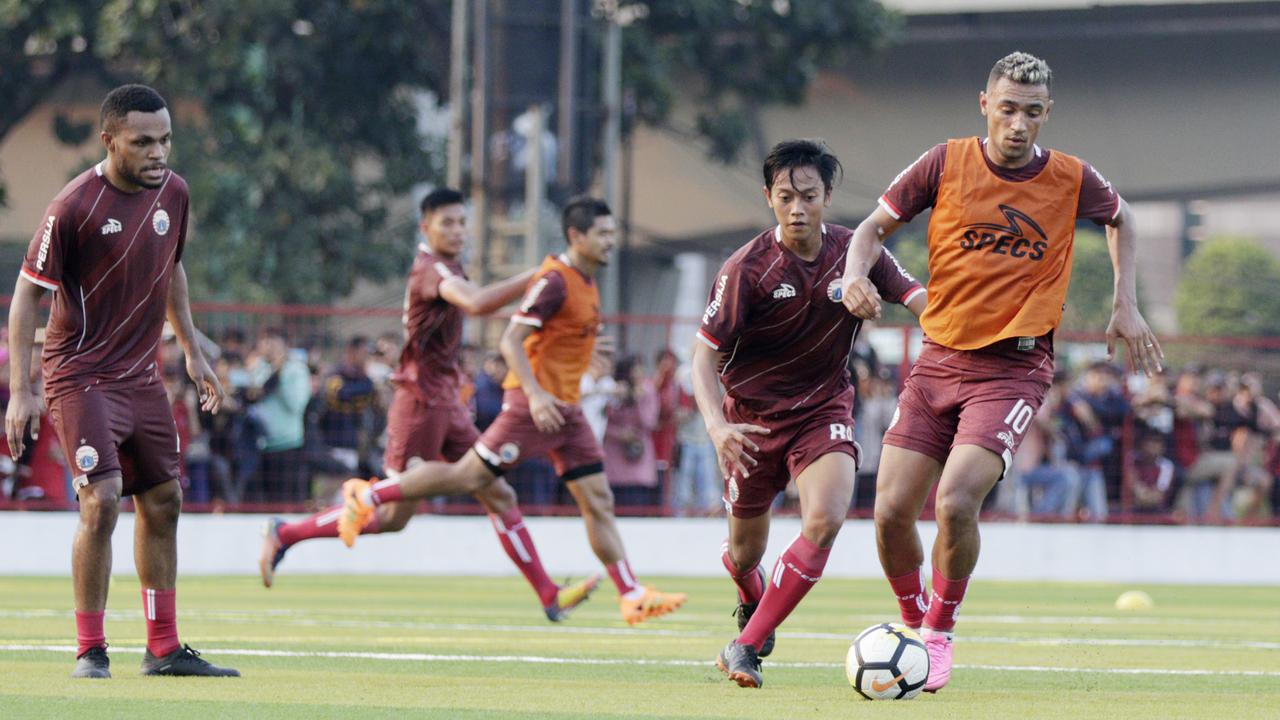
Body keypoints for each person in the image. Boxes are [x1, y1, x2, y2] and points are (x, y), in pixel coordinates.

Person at [839, 52, 1163, 693]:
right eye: (1008, 108)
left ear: (1048, 115)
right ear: (985, 104)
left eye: (1032, 112)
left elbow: (1122, 218)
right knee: (889, 514)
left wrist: (1125, 302)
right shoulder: (945, 161)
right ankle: (914, 623)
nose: (1018, 124)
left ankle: (938, 635)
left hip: (1014, 368)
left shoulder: (1071, 177)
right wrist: (853, 273)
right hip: (937, 359)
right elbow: (871, 229)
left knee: (956, 500)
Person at [336, 197, 687, 625]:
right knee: (464, 478)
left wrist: (584, 349)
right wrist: (537, 395)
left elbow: (555, 336)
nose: (611, 241)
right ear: (576, 236)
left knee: (598, 500)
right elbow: (510, 339)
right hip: (529, 408)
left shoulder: (584, 281)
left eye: (614, 233)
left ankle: (630, 592)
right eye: (603, 234)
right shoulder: (553, 279)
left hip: (566, 411)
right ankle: (367, 494)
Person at [259, 189, 596, 617]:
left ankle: (548, 594)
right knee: (395, 517)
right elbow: (475, 303)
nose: (457, 231)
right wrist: (542, 274)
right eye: (447, 223)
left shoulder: (450, 266)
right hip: (418, 402)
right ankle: (288, 532)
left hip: (445, 402)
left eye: (461, 222)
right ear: (425, 227)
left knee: (498, 492)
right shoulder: (430, 269)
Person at [4, 84, 237, 678]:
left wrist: (191, 350)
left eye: (164, 140)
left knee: (165, 500)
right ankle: (90, 649)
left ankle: (162, 649)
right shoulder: (74, 206)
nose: (158, 152)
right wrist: (24, 390)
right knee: (103, 500)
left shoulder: (175, 194)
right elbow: (29, 292)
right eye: (142, 142)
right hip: (79, 375)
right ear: (110, 140)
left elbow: (172, 267)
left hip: (142, 377)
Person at [691, 139, 926, 688]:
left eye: (810, 196)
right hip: (748, 425)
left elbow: (922, 303)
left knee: (824, 518)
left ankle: (745, 648)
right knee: (744, 554)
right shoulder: (744, 269)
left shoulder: (856, 252)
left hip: (823, 412)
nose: (798, 208)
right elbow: (701, 355)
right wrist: (717, 426)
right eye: (786, 196)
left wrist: (963, 332)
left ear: (827, 197)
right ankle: (751, 593)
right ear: (769, 198)